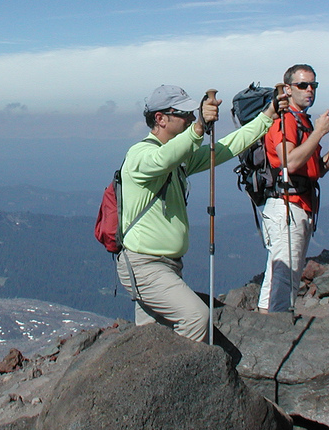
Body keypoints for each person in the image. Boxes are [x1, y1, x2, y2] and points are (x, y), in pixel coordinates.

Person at [117, 84, 278, 342]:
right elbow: (163, 159)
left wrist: (267, 116)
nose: (191, 118)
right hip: (144, 265)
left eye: (193, 114)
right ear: (160, 118)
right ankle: (184, 378)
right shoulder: (140, 155)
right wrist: (198, 128)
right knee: (195, 317)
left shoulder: (180, 159)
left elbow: (226, 147)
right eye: (184, 114)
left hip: (163, 266)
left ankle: (155, 377)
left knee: (150, 338)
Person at [258, 65, 329, 315]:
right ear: (287, 89)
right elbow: (289, 161)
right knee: (285, 277)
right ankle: (277, 330)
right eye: (303, 85)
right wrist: (319, 132)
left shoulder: (302, 122)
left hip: (298, 205)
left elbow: (316, 169)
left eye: (313, 85)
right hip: (288, 207)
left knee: (278, 274)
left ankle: (264, 327)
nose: (310, 90)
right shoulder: (285, 119)